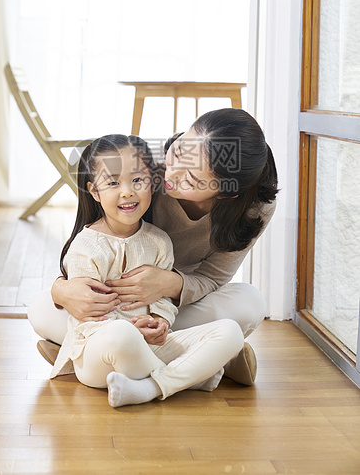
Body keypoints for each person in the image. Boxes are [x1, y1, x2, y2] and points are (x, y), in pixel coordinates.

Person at [28, 108, 278, 386]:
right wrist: (61, 290)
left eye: (191, 180)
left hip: (172, 305)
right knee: (41, 309)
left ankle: (98, 357)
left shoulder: (254, 208)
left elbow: (213, 278)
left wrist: (167, 285)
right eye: (180, 151)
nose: (170, 174)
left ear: (225, 192)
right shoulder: (142, 170)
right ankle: (207, 359)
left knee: (250, 304)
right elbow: (89, 240)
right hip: (116, 305)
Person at [50, 133, 245, 407]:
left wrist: (160, 322)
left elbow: (163, 300)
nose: (127, 191)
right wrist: (132, 330)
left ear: (153, 184)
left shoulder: (159, 241)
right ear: (94, 191)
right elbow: (89, 317)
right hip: (99, 350)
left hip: (148, 346)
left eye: (137, 180)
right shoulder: (86, 246)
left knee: (229, 332)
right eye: (113, 182)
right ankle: (193, 376)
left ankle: (150, 387)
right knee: (122, 335)